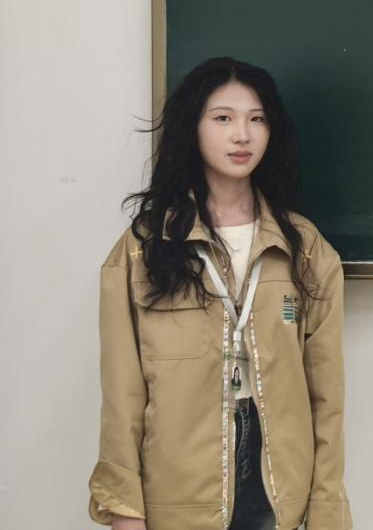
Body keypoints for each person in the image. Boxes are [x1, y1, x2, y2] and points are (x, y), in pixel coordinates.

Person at [88, 57, 352, 530]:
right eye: (223, 118)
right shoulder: (143, 249)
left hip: (278, 483)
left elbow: (327, 400)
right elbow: (122, 392)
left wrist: (327, 512)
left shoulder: (306, 250)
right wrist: (124, 509)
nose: (242, 135)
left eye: (257, 119)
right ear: (193, 128)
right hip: (177, 484)